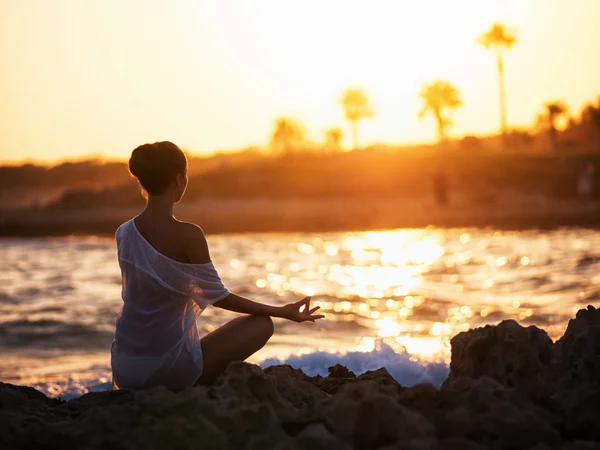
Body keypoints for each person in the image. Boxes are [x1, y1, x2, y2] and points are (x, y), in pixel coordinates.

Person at [111, 141, 323, 391]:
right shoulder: (189, 235)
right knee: (262, 324)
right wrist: (282, 311)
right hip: (165, 374)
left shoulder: (123, 233)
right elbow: (219, 297)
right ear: (178, 180)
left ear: (142, 182)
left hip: (125, 369)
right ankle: (194, 385)